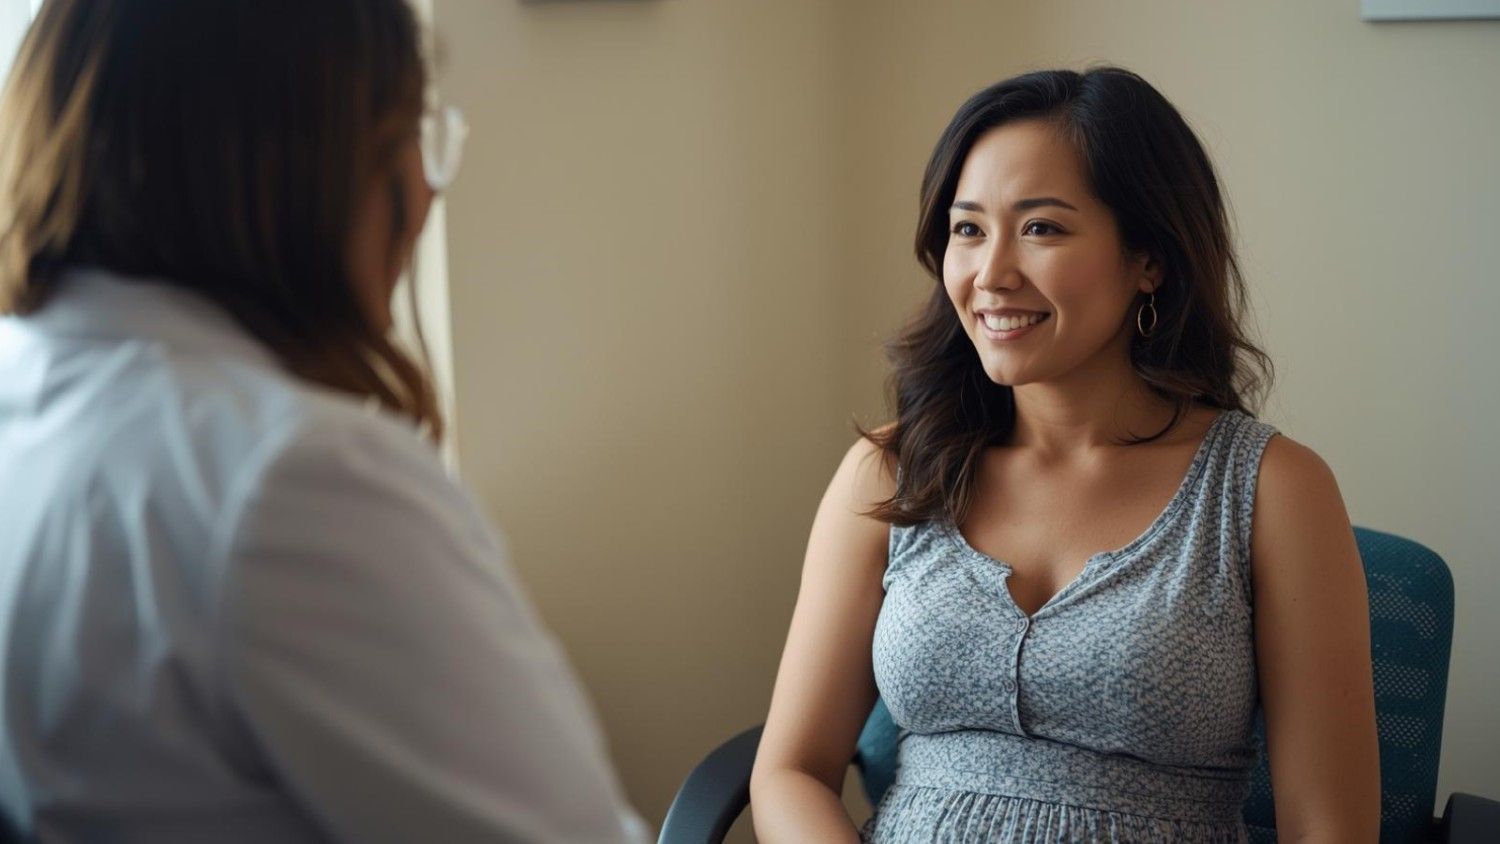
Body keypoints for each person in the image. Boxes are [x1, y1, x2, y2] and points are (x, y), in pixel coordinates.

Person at [0, 1, 648, 841]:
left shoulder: (32, 404)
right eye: (410, 135)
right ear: (306, 169)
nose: (426, 188)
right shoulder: (293, 480)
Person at [750, 67, 1380, 842]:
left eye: (1041, 228)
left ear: (1148, 257)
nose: (991, 275)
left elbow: (1331, 826)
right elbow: (790, 770)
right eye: (968, 228)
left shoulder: (1272, 490)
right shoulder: (890, 472)